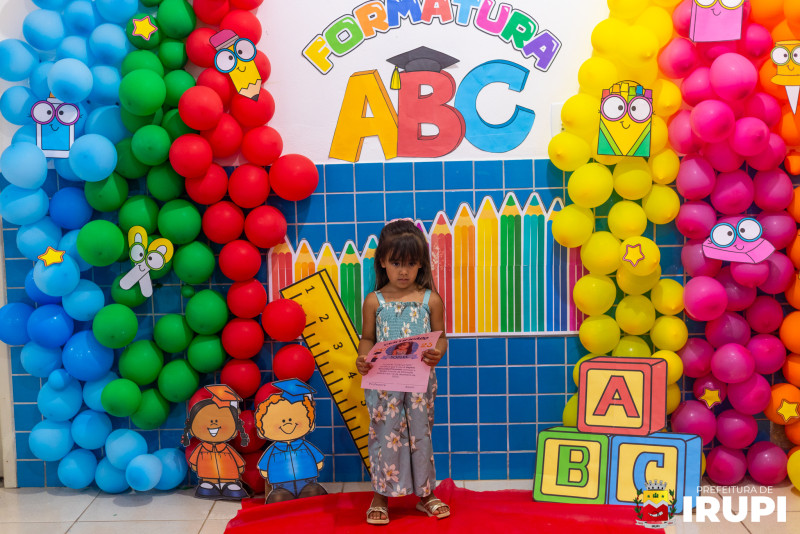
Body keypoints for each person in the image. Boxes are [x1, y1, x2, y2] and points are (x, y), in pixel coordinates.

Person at [356, 219, 449, 525]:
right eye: (396, 263)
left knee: (420, 435)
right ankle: (380, 496)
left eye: (410, 263)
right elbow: (368, 338)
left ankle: (426, 494)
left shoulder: (430, 299)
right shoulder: (375, 301)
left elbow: (441, 337)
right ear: (382, 262)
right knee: (385, 436)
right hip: (383, 383)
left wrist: (438, 352)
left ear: (421, 264)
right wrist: (362, 357)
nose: (404, 271)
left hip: (420, 382)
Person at [254, 378, 327, 503]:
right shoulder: (273, 450)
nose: (287, 423)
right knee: (279, 498)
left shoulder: (304, 446)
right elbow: (264, 469)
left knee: (313, 493)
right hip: (281, 486)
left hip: (307, 482)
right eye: (282, 420)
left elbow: (319, 460)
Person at [182, 385, 250, 499]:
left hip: (228, 476)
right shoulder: (202, 448)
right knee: (207, 486)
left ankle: (229, 485)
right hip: (208, 476)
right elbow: (194, 461)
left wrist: (239, 467)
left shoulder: (226, 449)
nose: (213, 422)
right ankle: (209, 485)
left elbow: (237, 461)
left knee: (230, 485)